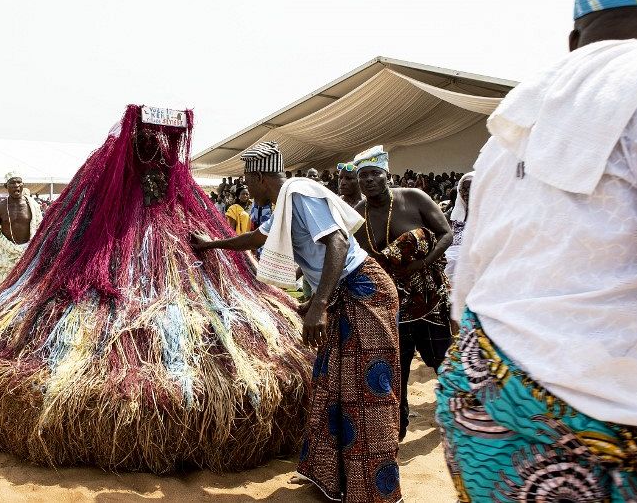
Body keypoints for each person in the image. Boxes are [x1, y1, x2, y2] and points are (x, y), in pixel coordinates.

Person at [438, 0, 637, 499]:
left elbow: (468, 274)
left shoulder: (511, 131)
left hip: (482, 396)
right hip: (603, 416)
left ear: (574, 40)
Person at [191, 141, 401, 502]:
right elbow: (256, 237)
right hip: (341, 295)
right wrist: (212, 245)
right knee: (332, 382)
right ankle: (333, 478)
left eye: (246, 179)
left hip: (364, 292)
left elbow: (337, 243)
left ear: (259, 177)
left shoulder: (300, 192)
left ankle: (373, 491)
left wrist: (317, 305)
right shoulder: (284, 203)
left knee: (368, 393)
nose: (244, 187)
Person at [352, 146, 452, 441]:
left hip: (430, 298)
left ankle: (458, 417)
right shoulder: (358, 215)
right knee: (399, 369)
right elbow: (355, 258)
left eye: (374, 174)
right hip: (392, 304)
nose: (369, 180)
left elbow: (446, 233)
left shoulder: (413, 198)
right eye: (364, 176)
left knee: (441, 361)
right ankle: (398, 431)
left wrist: (423, 262)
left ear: (387, 175)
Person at [0, 172, 42, 282]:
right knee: (7, 291)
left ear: (23, 185)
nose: (16, 185)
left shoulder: (33, 206)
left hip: (29, 255)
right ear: (6, 186)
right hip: (6, 258)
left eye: (19, 182)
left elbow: (42, 231)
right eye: (12, 183)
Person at [443, 172, 473, 281]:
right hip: (451, 260)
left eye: (470, 188)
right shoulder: (454, 215)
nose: (466, 193)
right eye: (463, 189)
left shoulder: (487, 213)